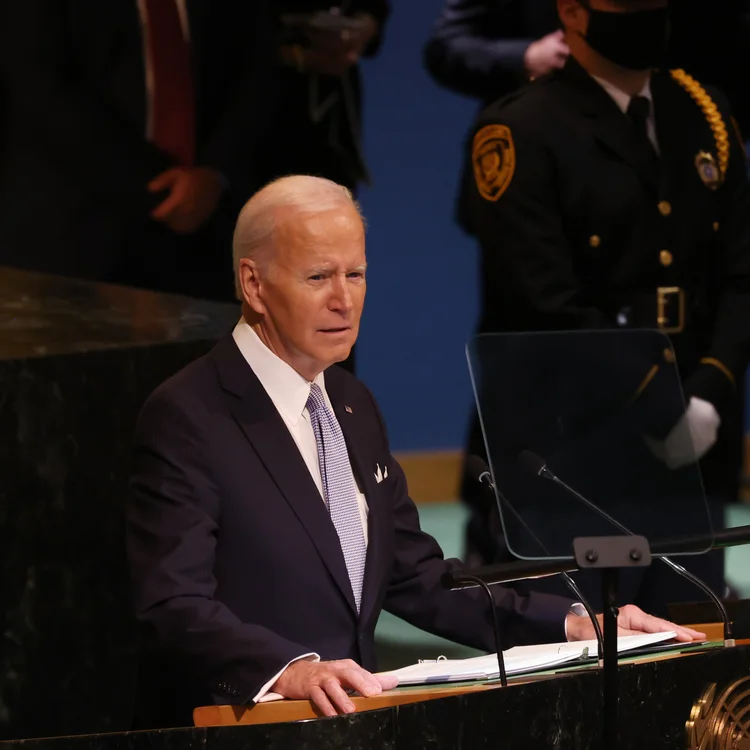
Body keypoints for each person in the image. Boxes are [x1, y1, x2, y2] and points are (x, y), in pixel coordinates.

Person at [126, 174, 702, 727]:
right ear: (253, 284)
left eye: (356, 274)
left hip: (356, 724)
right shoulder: (189, 414)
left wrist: (576, 624)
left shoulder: (351, 403)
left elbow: (416, 577)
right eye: (318, 277)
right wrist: (288, 670)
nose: (343, 300)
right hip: (243, 727)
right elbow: (173, 603)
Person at [466, 0, 750, 611]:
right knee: (575, 655)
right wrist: (666, 402)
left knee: (692, 645)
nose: (648, 11)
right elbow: (544, 304)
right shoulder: (521, 129)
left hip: (692, 445)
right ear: (572, 11)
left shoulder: (705, 114)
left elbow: (740, 276)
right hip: (572, 453)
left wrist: (710, 390)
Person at [0, 0, 276, 301]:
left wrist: (215, 173)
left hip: (210, 233)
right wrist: (161, 187)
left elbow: (254, 77)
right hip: (70, 236)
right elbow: (40, 88)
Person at [253, 1, 391, 372]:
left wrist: (367, 22)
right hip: (253, 137)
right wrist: (290, 54)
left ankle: (328, 419)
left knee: (329, 272)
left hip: (330, 141)